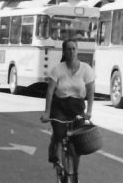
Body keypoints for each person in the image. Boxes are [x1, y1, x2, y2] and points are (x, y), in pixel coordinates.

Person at [40, 39, 95, 167]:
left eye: (74, 49)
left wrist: (89, 111)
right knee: (59, 134)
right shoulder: (57, 69)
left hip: (77, 107)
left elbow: (91, 92)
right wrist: (47, 113)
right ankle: (57, 158)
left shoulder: (86, 69)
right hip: (60, 106)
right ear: (64, 52)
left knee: (78, 141)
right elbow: (49, 92)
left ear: (77, 50)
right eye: (69, 49)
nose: (72, 52)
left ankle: (74, 172)